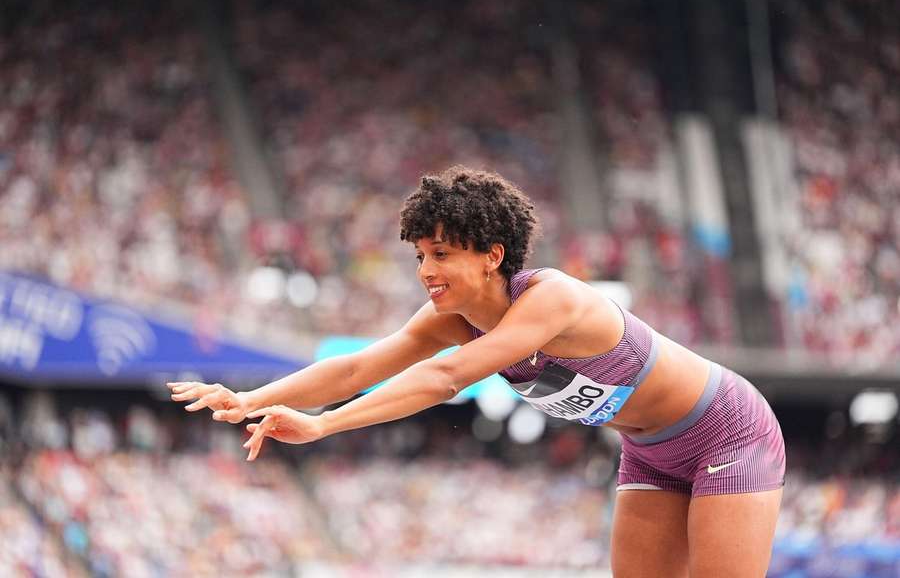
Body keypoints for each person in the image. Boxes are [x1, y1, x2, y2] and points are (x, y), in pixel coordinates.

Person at [168, 165, 785, 577]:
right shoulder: (452, 317)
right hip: (648, 452)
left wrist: (322, 428)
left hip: (726, 433)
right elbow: (356, 367)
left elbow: (445, 379)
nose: (425, 271)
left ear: (493, 256)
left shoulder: (553, 300)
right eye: (419, 256)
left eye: (442, 254)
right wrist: (250, 400)